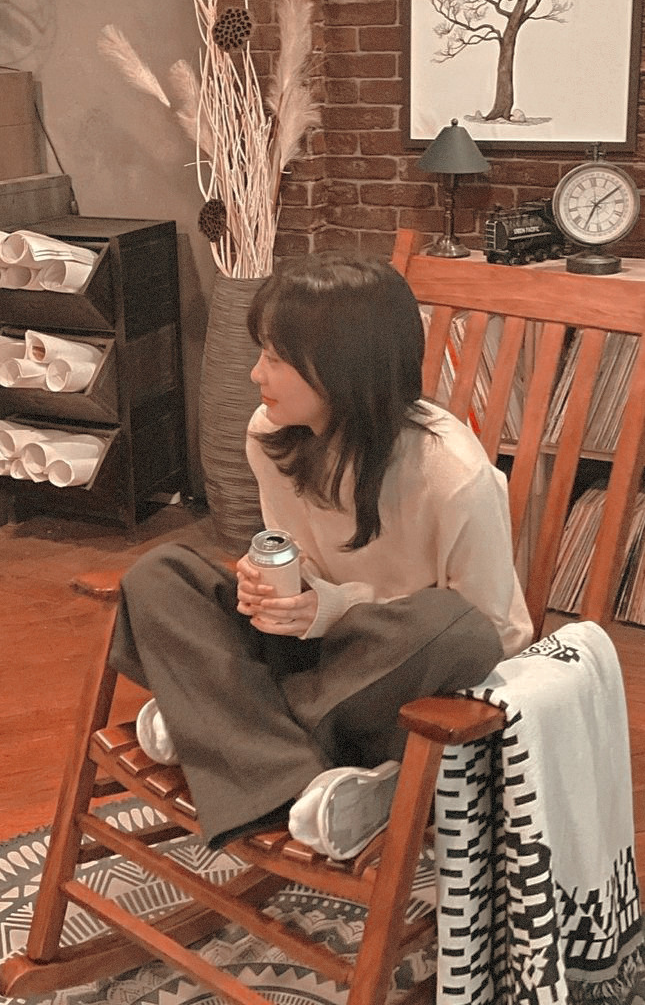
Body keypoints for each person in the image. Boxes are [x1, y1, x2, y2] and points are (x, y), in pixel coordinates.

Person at [110, 251, 532, 859]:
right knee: (161, 574)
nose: (255, 374)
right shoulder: (269, 436)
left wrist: (332, 607)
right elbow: (300, 561)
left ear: (343, 369)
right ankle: (285, 762)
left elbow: (491, 632)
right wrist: (272, 585)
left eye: (274, 359)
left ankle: (218, 726)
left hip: (389, 674)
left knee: (450, 624)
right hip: (314, 657)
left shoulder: (452, 473)